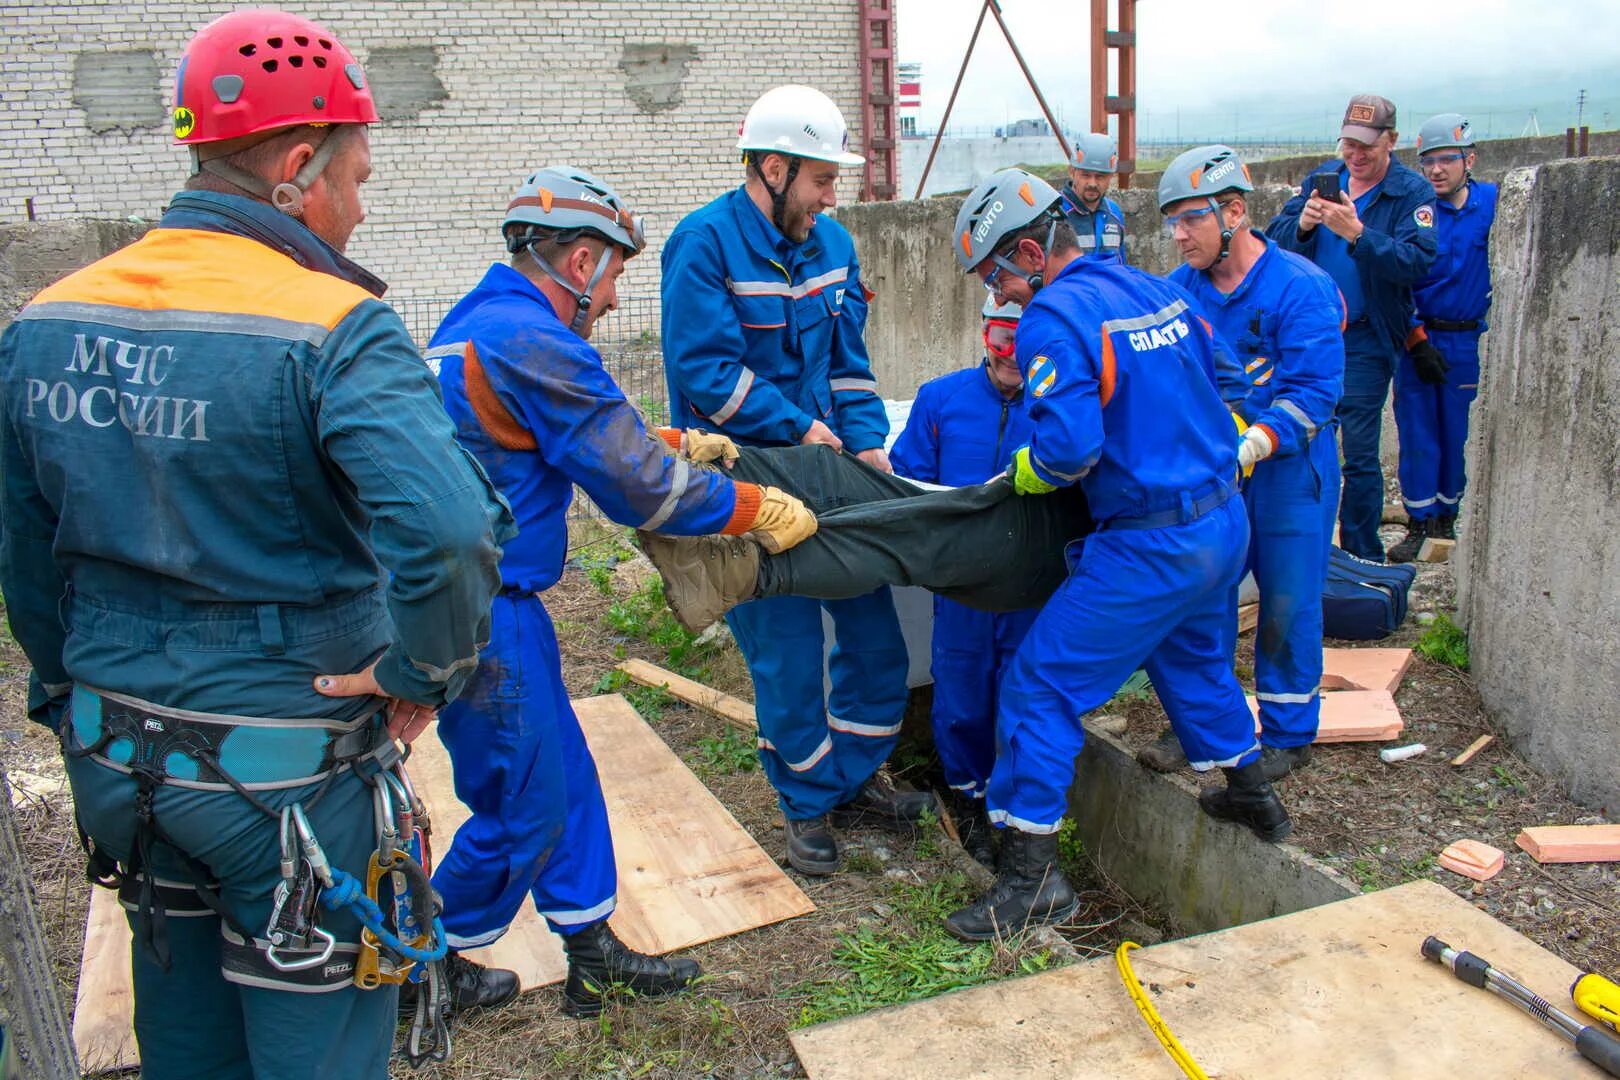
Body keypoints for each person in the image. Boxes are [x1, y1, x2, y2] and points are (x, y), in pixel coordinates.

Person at [0, 10, 513, 1076]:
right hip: (285, 786)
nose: (358, 211)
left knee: (185, 1038)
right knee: (316, 1047)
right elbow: (453, 527)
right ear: (294, 166)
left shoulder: (46, 319)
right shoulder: (331, 324)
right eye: (356, 180)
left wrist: (66, 701)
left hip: (118, 761)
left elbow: (27, 553)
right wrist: (422, 669)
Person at [425, 167, 816, 1017]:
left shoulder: (478, 325)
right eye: (612, 279)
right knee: (522, 803)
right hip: (484, 613)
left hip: (482, 603)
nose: (608, 302)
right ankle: (422, 958)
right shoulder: (533, 341)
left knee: (560, 770)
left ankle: (590, 947)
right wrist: (754, 505)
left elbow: (556, 432)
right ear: (577, 260)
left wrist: (668, 435)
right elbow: (639, 487)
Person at [941, 167, 1290, 941]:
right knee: (1194, 661)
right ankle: (1252, 793)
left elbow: (1067, 450)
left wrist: (1019, 475)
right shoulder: (1153, 289)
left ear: (1031, 252)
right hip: (1220, 520)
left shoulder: (1054, 317)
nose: (998, 294)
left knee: (1037, 687)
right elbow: (1224, 378)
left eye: (996, 274)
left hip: (1149, 543)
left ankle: (1031, 880)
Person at [660, 84, 931, 878]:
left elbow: (849, 367)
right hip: (745, 486)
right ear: (773, 169)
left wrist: (867, 446)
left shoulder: (835, 244)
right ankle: (805, 806)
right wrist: (799, 430)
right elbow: (705, 372)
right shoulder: (703, 244)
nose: (830, 196)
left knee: (876, 639)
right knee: (783, 653)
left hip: (830, 473)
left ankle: (852, 778)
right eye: (820, 179)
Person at [1138, 146, 1345, 781]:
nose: (1177, 235)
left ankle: (1285, 732)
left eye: (1189, 219)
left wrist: (1256, 440)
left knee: (1286, 599)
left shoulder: (1301, 288)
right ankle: (1205, 725)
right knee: (1203, 602)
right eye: (1171, 220)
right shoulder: (1174, 296)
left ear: (1234, 213)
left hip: (1288, 474)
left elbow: (1313, 392)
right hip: (1213, 479)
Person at [888, 297, 1040, 867]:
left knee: (1023, 697)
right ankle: (969, 803)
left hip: (1033, 583)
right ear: (983, 333)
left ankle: (1017, 818)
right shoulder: (941, 399)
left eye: (1023, 344)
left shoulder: (1060, 404)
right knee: (961, 695)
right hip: (963, 586)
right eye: (1001, 339)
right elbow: (910, 482)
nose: (1010, 357)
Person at [1267, 93, 1436, 561]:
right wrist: (1301, 225)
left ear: (1391, 141)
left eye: (1367, 146)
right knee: (1298, 438)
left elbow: (1417, 261)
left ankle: (1362, 553)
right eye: (1349, 145)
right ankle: (1300, 548)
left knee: (1359, 455)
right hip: (1309, 335)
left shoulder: (1411, 193)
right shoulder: (1322, 179)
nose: (1356, 156)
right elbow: (1273, 246)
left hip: (1364, 337)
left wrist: (1357, 235)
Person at [1387, 114, 1497, 563]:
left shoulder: (1491, 204)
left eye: (1446, 160)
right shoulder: (1415, 213)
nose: (1436, 170)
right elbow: (1397, 278)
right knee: (1416, 430)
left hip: (1466, 340)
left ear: (1468, 160)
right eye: (1427, 161)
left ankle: (1445, 517)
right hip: (1416, 336)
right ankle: (1417, 521)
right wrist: (1415, 338)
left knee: (1457, 430)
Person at [1059, 132, 1127, 262]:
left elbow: (1121, 267)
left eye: (1100, 176)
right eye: (1086, 175)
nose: (1092, 183)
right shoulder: (1055, 212)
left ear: (1111, 177)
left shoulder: (1114, 214)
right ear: (1072, 172)